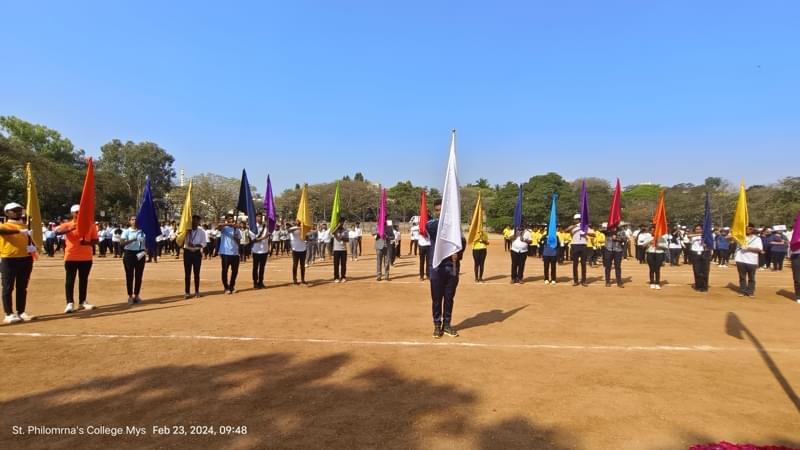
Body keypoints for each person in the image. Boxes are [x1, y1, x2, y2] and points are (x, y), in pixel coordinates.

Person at [427, 199, 465, 339]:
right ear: (435, 211)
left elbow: (462, 242)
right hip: (436, 267)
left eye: (442, 210)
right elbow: (435, 230)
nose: (439, 212)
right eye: (437, 210)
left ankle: (447, 324)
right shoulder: (431, 224)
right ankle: (437, 325)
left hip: (452, 267)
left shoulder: (456, 228)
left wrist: (458, 254)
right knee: (436, 299)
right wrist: (449, 220)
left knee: (449, 298)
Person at [55, 204, 99, 313]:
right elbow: (56, 232)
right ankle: (70, 302)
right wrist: (71, 228)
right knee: (70, 280)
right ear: (72, 213)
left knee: (83, 280)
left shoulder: (91, 225)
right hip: (71, 256)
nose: (79, 214)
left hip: (86, 257)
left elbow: (96, 240)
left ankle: (82, 302)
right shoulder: (67, 225)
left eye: (81, 212)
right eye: (77, 212)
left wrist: (87, 243)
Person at [0, 203, 36, 324]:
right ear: (7, 213)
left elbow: (31, 241)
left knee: (22, 287)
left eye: (20, 210)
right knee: (8, 287)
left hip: (25, 259)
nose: (19, 212)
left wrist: (33, 247)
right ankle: (9, 313)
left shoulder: (26, 226)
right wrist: (19, 231)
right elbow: (2, 231)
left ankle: (21, 311)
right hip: (9, 259)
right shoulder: (5, 225)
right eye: (15, 210)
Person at [120, 215, 147, 304]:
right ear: (129, 221)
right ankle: (130, 296)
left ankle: (137, 295)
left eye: (136, 219)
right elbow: (122, 243)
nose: (134, 221)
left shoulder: (143, 232)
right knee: (129, 276)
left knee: (139, 276)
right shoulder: (126, 231)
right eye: (132, 219)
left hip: (140, 254)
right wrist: (134, 239)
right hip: (129, 254)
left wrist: (146, 249)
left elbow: (148, 242)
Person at [734, 224, 764, 297]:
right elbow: (729, 238)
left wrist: (748, 248)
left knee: (751, 277)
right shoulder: (740, 238)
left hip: (752, 261)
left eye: (750, 229)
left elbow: (759, 249)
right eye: (746, 228)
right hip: (740, 259)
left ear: (753, 229)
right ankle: (742, 291)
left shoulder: (757, 239)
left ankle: (750, 291)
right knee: (742, 277)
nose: (748, 230)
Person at [566, 214, 595, 286]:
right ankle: (576, 281)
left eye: (576, 219)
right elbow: (566, 230)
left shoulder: (585, 226)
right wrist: (575, 226)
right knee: (575, 264)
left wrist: (586, 232)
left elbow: (594, 234)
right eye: (575, 219)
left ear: (579, 219)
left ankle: (583, 281)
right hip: (574, 245)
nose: (575, 220)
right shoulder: (572, 227)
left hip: (583, 245)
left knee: (583, 264)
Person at [182, 215, 207, 298]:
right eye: (193, 221)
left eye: (196, 221)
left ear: (199, 222)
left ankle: (197, 291)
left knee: (197, 273)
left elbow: (204, 243)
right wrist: (185, 232)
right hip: (187, 252)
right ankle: (187, 292)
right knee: (187, 273)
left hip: (196, 253)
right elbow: (179, 239)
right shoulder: (186, 230)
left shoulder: (202, 231)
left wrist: (197, 245)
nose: (194, 223)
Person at [218, 214, 242, 294]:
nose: (231, 220)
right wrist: (229, 224)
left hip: (235, 253)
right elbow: (219, 226)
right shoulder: (224, 228)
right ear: (226, 220)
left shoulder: (237, 230)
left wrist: (235, 237)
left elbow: (239, 242)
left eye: (232, 218)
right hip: (225, 252)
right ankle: (226, 287)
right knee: (225, 271)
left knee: (235, 271)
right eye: (229, 219)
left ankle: (232, 286)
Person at [642, 225, 669, 290]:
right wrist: (649, 242)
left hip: (659, 254)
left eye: (654, 230)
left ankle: (657, 283)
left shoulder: (661, 238)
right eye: (652, 230)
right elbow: (643, 245)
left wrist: (658, 244)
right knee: (651, 269)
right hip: (650, 253)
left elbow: (666, 247)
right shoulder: (648, 237)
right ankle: (651, 282)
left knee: (657, 269)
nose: (653, 231)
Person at [250, 213, 270, 289]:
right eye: (258, 217)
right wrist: (264, 237)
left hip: (264, 250)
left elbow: (269, 234)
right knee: (255, 267)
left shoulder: (265, 227)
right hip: (256, 250)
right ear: (255, 218)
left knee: (262, 267)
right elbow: (254, 240)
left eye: (261, 217)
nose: (260, 218)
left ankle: (261, 282)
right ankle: (255, 283)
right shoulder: (253, 228)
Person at [288, 220, 308, 285]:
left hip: (303, 249)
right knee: (295, 265)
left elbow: (307, 238)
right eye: (297, 221)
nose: (298, 222)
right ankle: (295, 279)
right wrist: (298, 228)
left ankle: (303, 279)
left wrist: (305, 235)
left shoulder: (304, 229)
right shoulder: (293, 228)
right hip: (295, 249)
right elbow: (289, 231)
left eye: (299, 221)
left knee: (302, 266)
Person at [331, 218, 349, 283]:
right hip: (336, 250)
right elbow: (332, 233)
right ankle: (336, 277)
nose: (342, 224)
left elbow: (347, 240)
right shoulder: (335, 230)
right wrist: (337, 226)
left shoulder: (345, 230)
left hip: (344, 250)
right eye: (341, 222)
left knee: (343, 264)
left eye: (342, 222)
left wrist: (342, 238)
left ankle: (343, 276)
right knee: (336, 264)